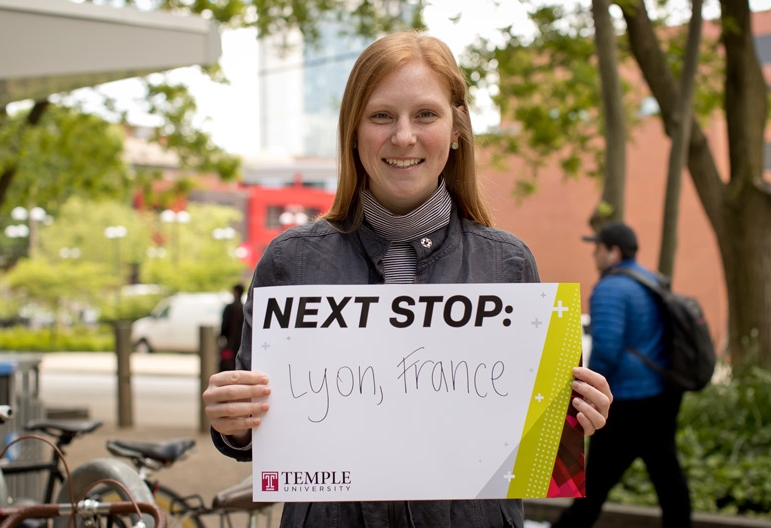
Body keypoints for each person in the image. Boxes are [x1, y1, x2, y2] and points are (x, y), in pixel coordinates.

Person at [203, 30, 614, 528]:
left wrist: (575, 418)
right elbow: (254, 433)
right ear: (353, 130)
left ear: (456, 128)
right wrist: (235, 423)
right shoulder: (292, 262)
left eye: (425, 114)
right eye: (381, 116)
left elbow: (539, 439)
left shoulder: (509, 265)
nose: (403, 136)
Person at [552, 221, 691, 528]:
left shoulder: (611, 287)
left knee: (596, 481)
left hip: (627, 400)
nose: (593, 255)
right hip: (662, 395)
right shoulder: (650, 279)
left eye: (597, 249)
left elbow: (607, 349)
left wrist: (584, 393)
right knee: (667, 474)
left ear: (613, 252)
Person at [218, 283, 244, 372]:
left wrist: (221, 337)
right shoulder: (244, 308)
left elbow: (225, 325)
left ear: (235, 292)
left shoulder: (230, 307)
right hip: (241, 342)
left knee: (228, 365)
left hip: (231, 342)